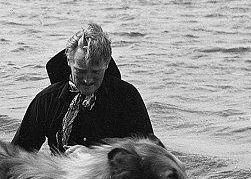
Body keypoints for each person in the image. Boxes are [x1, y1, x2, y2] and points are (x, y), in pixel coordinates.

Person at [12, 22, 154, 153]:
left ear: (107, 63)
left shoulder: (127, 96)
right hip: (61, 175)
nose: (87, 79)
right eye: (80, 71)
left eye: (96, 72)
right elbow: (17, 155)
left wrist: (95, 155)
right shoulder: (47, 100)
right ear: (69, 61)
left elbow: (151, 151)